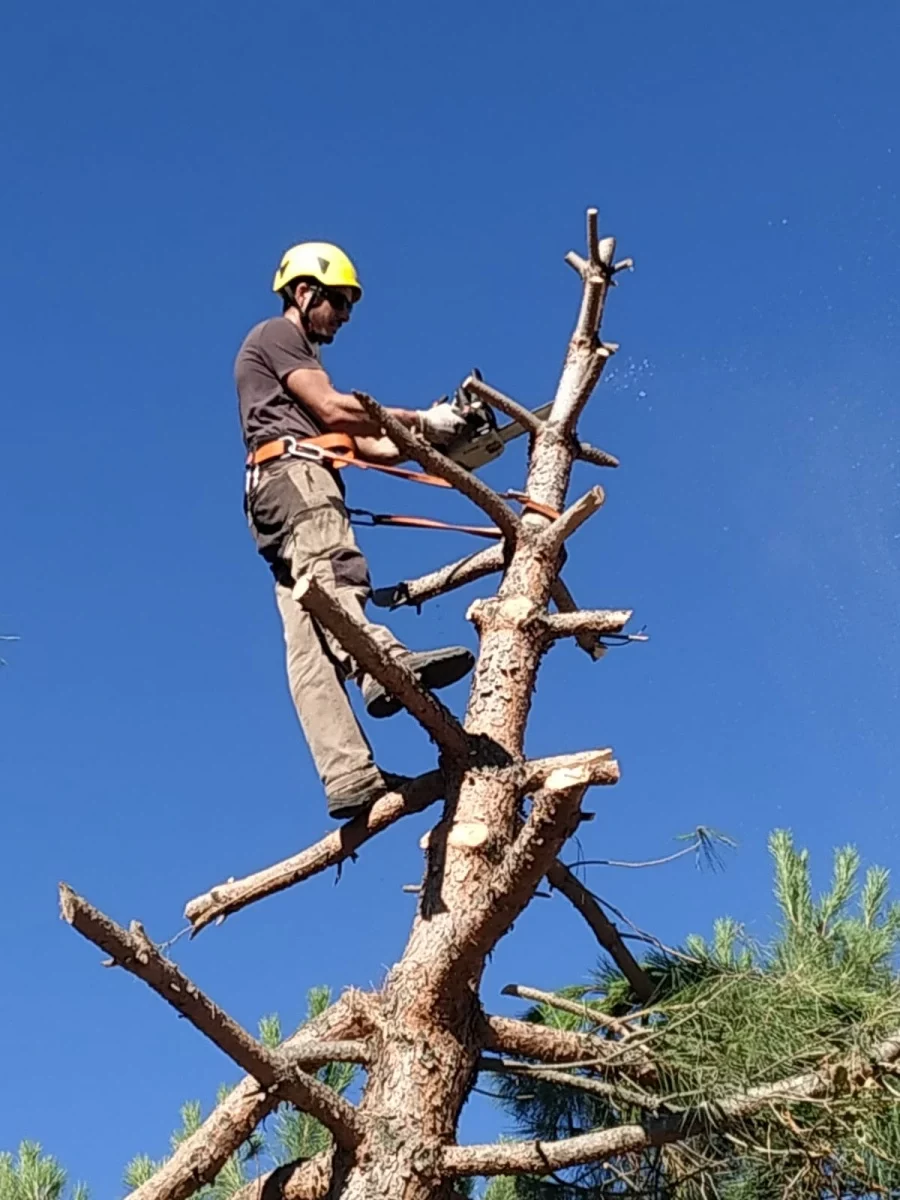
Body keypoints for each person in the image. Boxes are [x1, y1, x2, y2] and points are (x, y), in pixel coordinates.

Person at [235, 241, 474, 820]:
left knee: (308, 643)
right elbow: (340, 410)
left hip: (270, 496)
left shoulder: (292, 378)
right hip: (297, 481)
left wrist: (431, 439)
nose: (344, 317)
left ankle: (347, 774)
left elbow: (371, 443)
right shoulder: (276, 335)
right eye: (338, 303)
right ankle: (380, 667)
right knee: (335, 573)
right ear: (303, 291)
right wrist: (421, 417)